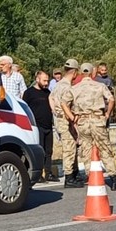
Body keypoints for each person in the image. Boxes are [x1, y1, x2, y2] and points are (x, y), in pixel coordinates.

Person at [61, 62, 116, 190]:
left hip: (82, 121)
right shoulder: (100, 86)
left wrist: (73, 118)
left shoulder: (74, 88)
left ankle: (92, 177)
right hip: (97, 119)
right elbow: (111, 99)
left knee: (86, 150)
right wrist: (107, 114)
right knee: (105, 148)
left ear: (81, 73)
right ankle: (114, 179)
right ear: (91, 73)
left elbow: (63, 103)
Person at [52, 59, 84, 187]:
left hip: (60, 118)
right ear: (75, 72)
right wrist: (72, 120)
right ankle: (69, 177)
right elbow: (66, 105)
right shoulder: (67, 87)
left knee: (72, 148)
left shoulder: (58, 85)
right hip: (66, 120)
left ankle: (74, 174)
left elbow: (52, 99)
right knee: (69, 148)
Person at [23, 71, 56, 182]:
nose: (46, 83)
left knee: (49, 151)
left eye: (47, 80)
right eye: (44, 80)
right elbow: (25, 108)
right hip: (37, 126)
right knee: (40, 150)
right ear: (37, 79)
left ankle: (48, 172)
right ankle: (39, 174)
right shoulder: (29, 93)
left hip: (48, 125)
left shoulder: (48, 92)